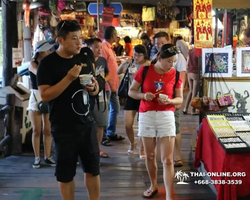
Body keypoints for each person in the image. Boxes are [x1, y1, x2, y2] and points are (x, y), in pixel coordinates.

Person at [37, 20, 100, 200]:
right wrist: (69, 78)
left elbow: (95, 86)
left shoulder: (84, 57)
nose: (79, 43)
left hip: (87, 124)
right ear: (61, 40)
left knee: (93, 170)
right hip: (63, 128)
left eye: (80, 38)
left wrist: (94, 88)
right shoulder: (47, 64)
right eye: (74, 39)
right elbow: (46, 95)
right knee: (66, 174)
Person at [129, 44, 183, 199]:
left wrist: (171, 101)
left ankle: (168, 195)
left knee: (167, 159)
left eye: (174, 62)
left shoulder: (176, 75)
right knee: (150, 155)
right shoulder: (145, 70)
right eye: (169, 62)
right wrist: (143, 96)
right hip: (147, 115)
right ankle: (153, 185)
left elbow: (180, 98)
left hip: (166, 116)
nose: (172, 65)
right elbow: (131, 91)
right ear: (159, 58)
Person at [153, 32, 187, 168]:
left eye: (162, 43)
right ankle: (163, 155)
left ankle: (177, 155)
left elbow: (182, 78)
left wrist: (179, 99)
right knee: (159, 128)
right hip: (157, 100)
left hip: (172, 97)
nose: (159, 45)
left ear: (168, 41)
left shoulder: (177, 57)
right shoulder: (156, 57)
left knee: (175, 127)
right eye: (157, 43)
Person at [117, 45, 150, 159]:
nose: (136, 57)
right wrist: (125, 62)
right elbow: (118, 71)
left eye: (139, 55)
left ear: (144, 55)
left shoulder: (149, 65)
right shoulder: (131, 64)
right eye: (134, 54)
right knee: (128, 124)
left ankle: (142, 149)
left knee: (142, 125)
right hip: (131, 96)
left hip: (144, 97)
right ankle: (132, 143)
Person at [27, 40, 56, 169]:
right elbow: (40, 73)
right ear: (40, 51)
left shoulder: (49, 64)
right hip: (36, 96)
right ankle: (37, 157)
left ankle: (48, 156)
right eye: (47, 50)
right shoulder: (33, 64)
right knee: (36, 130)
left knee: (48, 130)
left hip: (47, 94)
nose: (49, 52)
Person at [101, 26, 125, 141]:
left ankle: (111, 132)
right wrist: (110, 85)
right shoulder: (103, 48)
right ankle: (104, 136)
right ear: (112, 35)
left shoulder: (109, 47)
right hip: (107, 86)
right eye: (115, 35)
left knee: (115, 108)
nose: (117, 37)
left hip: (113, 85)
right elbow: (103, 69)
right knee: (105, 111)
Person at [88, 38, 110, 158]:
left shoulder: (102, 60)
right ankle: (89, 149)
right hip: (88, 97)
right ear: (89, 47)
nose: (99, 49)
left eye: (100, 47)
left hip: (101, 96)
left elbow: (108, 73)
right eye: (96, 47)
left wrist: (102, 81)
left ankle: (98, 148)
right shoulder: (84, 61)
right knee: (88, 124)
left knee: (101, 123)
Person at [183, 48, 199, 115]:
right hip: (195, 72)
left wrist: (187, 70)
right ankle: (193, 110)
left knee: (190, 91)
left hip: (189, 72)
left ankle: (185, 108)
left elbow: (187, 61)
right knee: (194, 93)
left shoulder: (190, 50)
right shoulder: (199, 51)